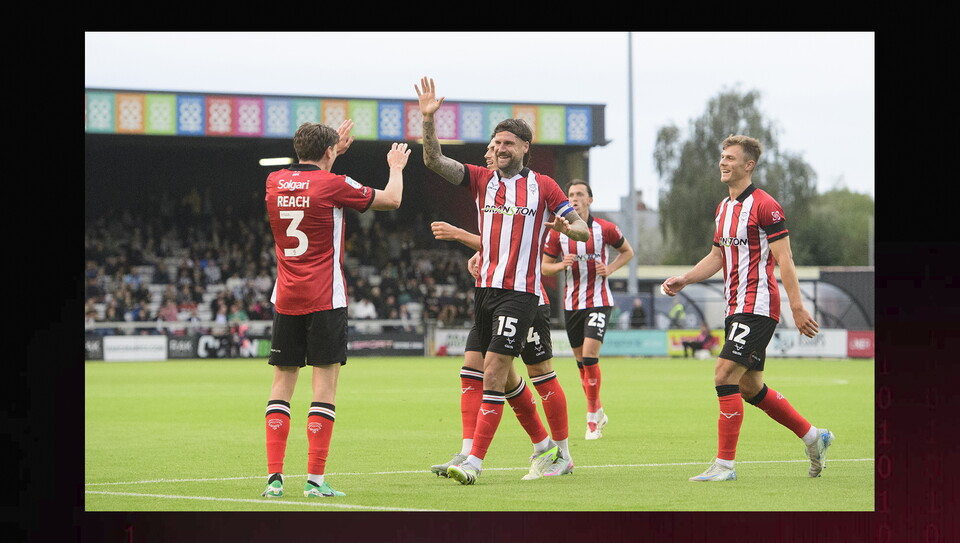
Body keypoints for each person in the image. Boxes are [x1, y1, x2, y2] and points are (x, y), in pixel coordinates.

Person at [416, 76, 588, 485]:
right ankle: (533, 448)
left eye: (508, 143)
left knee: (506, 370)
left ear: (524, 148)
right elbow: (434, 161)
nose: (499, 149)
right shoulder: (480, 179)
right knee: (474, 370)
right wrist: (428, 121)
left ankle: (477, 460)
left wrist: (569, 229)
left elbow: (580, 228)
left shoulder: (543, 186)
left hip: (523, 295)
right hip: (486, 292)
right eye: (496, 144)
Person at [661, 134, 832, 482]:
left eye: (730, 158)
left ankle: (724, 466)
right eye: (722, 157)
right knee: (749, 387)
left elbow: (785, 259)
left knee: (723, 373)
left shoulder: (766, 205)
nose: (723, 163)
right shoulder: (723, 208)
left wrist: (797, 308)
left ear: (748, 165)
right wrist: (686, 279)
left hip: (758, 306)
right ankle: (814, 437)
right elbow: (717, 256)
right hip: (734, 307)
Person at [260, 119, 411, 498]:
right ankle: (314, 481)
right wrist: (395, 167)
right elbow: (392, 200)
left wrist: (330, 154)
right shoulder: (333, 184)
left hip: (286, 296)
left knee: (281, 385)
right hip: (326, 297)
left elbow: (308, 179)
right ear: (330, 152)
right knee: (324, 387)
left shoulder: (274, 181)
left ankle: (274, 480)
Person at [542, 180, 634, 440]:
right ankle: (599, 410)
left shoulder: (605, 229)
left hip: (599, 300)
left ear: (590, 200)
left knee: (591, 357)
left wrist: (612, 268)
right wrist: (561, 266)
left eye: (580, 194)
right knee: (582, 364)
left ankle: (592, 419)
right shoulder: (558, 232)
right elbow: (544, 267)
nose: (574, 198)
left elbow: (627, 251)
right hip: (571, 304)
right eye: (571, 194)